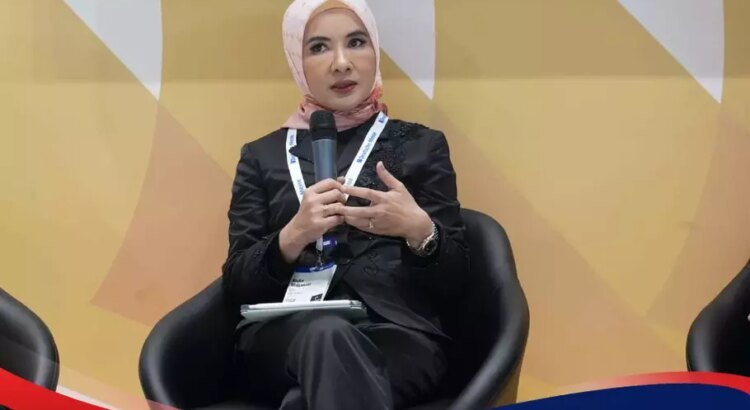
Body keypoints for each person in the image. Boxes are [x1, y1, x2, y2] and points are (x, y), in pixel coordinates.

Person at [223, 0, 470, 408]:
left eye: (356, 42)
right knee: (326, 335)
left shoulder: (422, 145)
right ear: (297, 60)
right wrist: (292, 236)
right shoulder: (261, 157)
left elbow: (457, 282)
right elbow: (236, 283)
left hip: (396, 335)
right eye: (319, 47)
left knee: (305, 399)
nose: (341, 63)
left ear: (375, 51)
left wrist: (419, 232)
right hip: (286, 336)